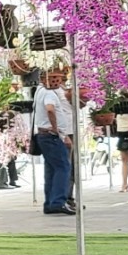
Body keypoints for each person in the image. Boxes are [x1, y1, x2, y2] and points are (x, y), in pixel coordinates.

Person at [33, 68, 73, 215]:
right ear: (44, 79)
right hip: (51, 135)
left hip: (44, 135)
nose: (58, 80)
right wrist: (57, 130)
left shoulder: (40, 92)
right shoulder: (49, 93)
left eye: (59, 77)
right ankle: (58, 202)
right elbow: (50, 109)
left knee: (51, 169)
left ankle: (49, 203)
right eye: (54, 77)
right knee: (63, 167)